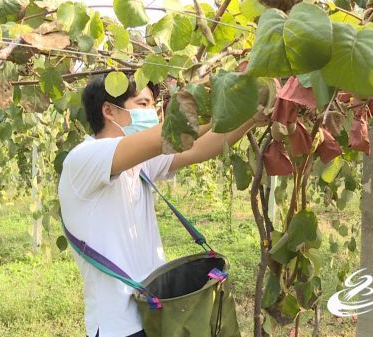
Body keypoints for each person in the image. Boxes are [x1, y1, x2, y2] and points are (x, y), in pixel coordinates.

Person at [58, 74, 266, 337]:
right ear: (108, 110)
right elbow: (172, 133)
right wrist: (231, 99)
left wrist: (249, 116)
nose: (153, 115)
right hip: (118, 327)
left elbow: (201, 147)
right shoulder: (85, 159)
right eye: (143, 104)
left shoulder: (139, 163)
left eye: (155, 107)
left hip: (157, 313)